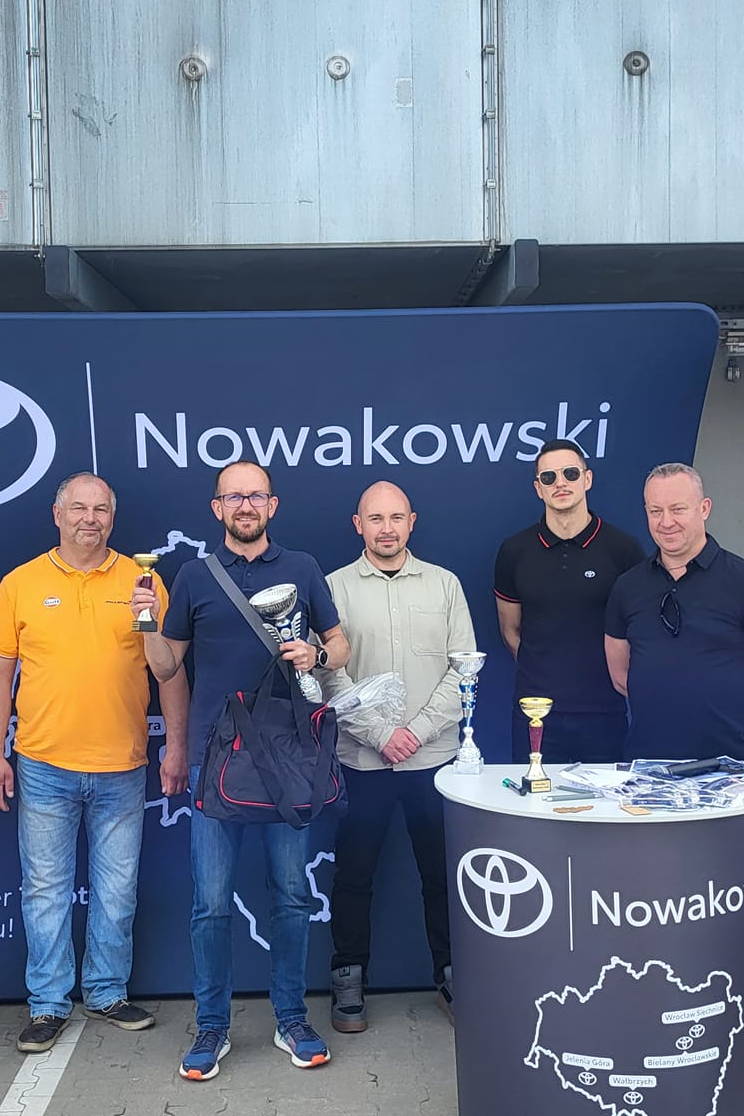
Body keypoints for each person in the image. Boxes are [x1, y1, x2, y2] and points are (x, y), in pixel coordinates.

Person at [132, 460, 351, 1082]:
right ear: (217, 508)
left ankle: (291, 1019)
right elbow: (166, 667)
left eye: (255, 496)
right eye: (234, 497)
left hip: (289, 756)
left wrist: (316, 652)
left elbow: (340, 646)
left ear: (272, 505)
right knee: (210, 905)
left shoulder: (302, 567)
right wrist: (145, 618)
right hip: (216, 759)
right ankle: (212, 1026)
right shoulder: (193, 576)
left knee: (291, 896)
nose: (245, 506)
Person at [0, 473, 190, 1055]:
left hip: (123, 764)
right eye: (78, 508)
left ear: (112, 519)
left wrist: (176, 746)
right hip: (43, 762)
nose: (89, 519)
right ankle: (48, 1004)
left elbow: (169, 673)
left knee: (117, 888)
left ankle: (106, 991)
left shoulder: (143, 582)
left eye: (100, 509)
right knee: (45, 889)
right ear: (57, 514)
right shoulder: (20, 583)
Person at [319, 482, 474, 1034]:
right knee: (354, 876)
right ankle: (348, 975)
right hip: (363, 762)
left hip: (435, 763)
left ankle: (453, 976)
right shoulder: (333, 587)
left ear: (412, 521)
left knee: (441, 875)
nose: (386, 529)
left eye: (396, 518)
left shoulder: (445, 585)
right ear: (357, 525)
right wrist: (382, 734)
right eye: (375, 519)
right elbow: (329, 675)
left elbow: (464, 669)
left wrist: (415, 732)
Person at [603, 463, 744, 761]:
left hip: (730, 767)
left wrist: (737, 718)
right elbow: (621, 676)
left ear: (704, 508)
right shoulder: (627, 587)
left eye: (678, 509)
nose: (666, 522)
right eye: (656, 511)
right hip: (648, 765)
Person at [493, 439, 646, 764]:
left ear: (587, 479)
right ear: (538, 488)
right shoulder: (514, 551)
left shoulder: (624, 550)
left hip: (604, 713)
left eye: (570, 473)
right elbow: (510, 631)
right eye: (549, 477)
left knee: (604, 799)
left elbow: (639, 631)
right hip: (535, 713)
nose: (560, 483)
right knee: (534, 797)